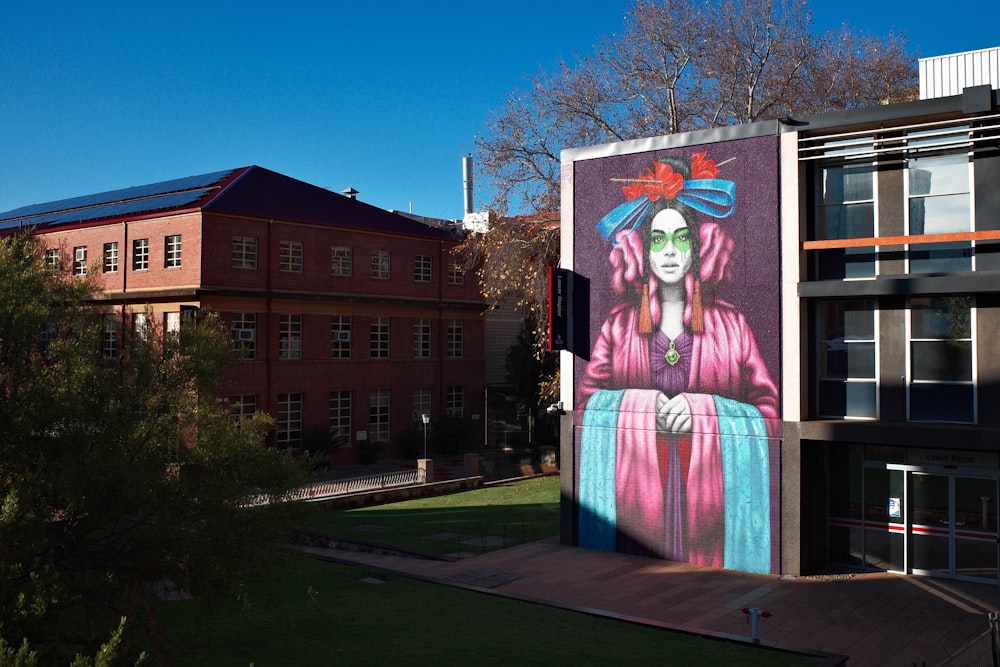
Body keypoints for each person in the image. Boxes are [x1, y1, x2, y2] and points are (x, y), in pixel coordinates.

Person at [576, 153, 778, 574]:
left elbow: (770, 414)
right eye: (658, 239)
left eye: (681, 238)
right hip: (635, 502)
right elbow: (585, 410)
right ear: (643, 249)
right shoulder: (617, 326)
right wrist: (642, 407)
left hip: (711, 506)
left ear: (698, 247)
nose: (670, 251)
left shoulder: (733, 326)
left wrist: (706, 414)